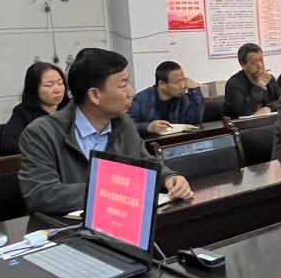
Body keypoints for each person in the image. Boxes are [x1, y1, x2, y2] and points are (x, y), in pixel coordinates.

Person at [18, 49, 192, 214]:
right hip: (65, 229)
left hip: (119, 222)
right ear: (95, 95)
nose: (131, 92)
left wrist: (169, 178)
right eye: (123, 84)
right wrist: (110, 190)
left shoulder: (124, 124)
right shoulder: (41, 133)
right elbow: (41, 193)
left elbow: (145, 163)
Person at [0, 62, 70, 155]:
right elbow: (6, 143)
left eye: (60, 83)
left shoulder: (71, 107)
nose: (57, 90)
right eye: (49, 85)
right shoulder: (23, 112)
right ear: (34, 88)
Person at [128, 61, 204, 135]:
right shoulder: (141, 100)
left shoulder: (182, 98)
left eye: (184, 80)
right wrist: (148, 127)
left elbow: (194, 121)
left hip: (175, 141)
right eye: (177, 82)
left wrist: (195, 91)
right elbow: (127, 127)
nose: (183, 86)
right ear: (162, 84)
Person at [224, 43, 281, 118]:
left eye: (261, 60)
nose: (260, 65)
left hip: (268, 122)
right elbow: (245, 112)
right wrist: (261, 85)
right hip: (242, 124)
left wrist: (270, 108)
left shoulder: (269, 79)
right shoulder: (234, 84)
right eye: (253, 62)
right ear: (243, 64)